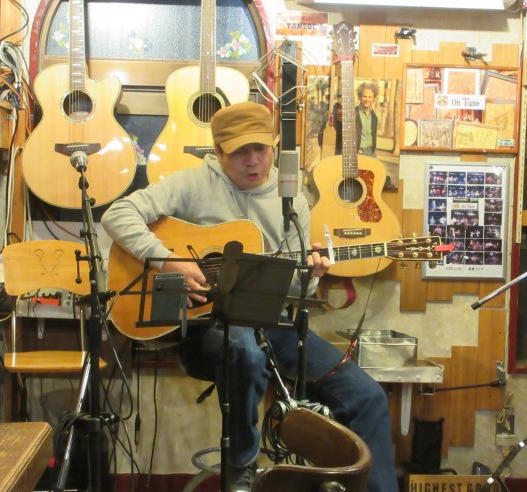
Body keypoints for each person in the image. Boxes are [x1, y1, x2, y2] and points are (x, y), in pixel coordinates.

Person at [101, 101, 398, 492]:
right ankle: (241, 463)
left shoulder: (292, 200)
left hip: (272, 322)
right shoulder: (192, 183)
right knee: (245, 350)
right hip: (207, 328)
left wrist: (311, 277)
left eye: (261, 148)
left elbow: (296, 291)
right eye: (240, 151)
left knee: (367, 395)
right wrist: (169, 261)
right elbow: (116, 215)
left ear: (274, 145)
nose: (254, 160)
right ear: (218, 151)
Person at [356, 81, 379, 156]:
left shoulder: (374, 116)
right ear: (360, 97)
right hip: (359, 152)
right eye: (364, 96)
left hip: (371, 152)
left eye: (370, 97)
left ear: (373, 99)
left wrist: (373, 151)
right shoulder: (354, 113)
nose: (367, 99)